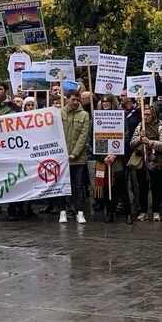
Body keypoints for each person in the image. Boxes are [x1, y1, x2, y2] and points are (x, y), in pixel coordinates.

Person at [61, 91, 91, 224]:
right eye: (73, 99)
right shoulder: (59, 113)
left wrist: (75, 153)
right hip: (62, 158)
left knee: (78, 185)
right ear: (67, 99)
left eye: (77, 100)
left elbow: (83, 136)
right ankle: (62, 211)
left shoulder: (84, 115)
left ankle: (80, 211)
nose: (75, 102)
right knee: (62, 185)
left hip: (78, 158)